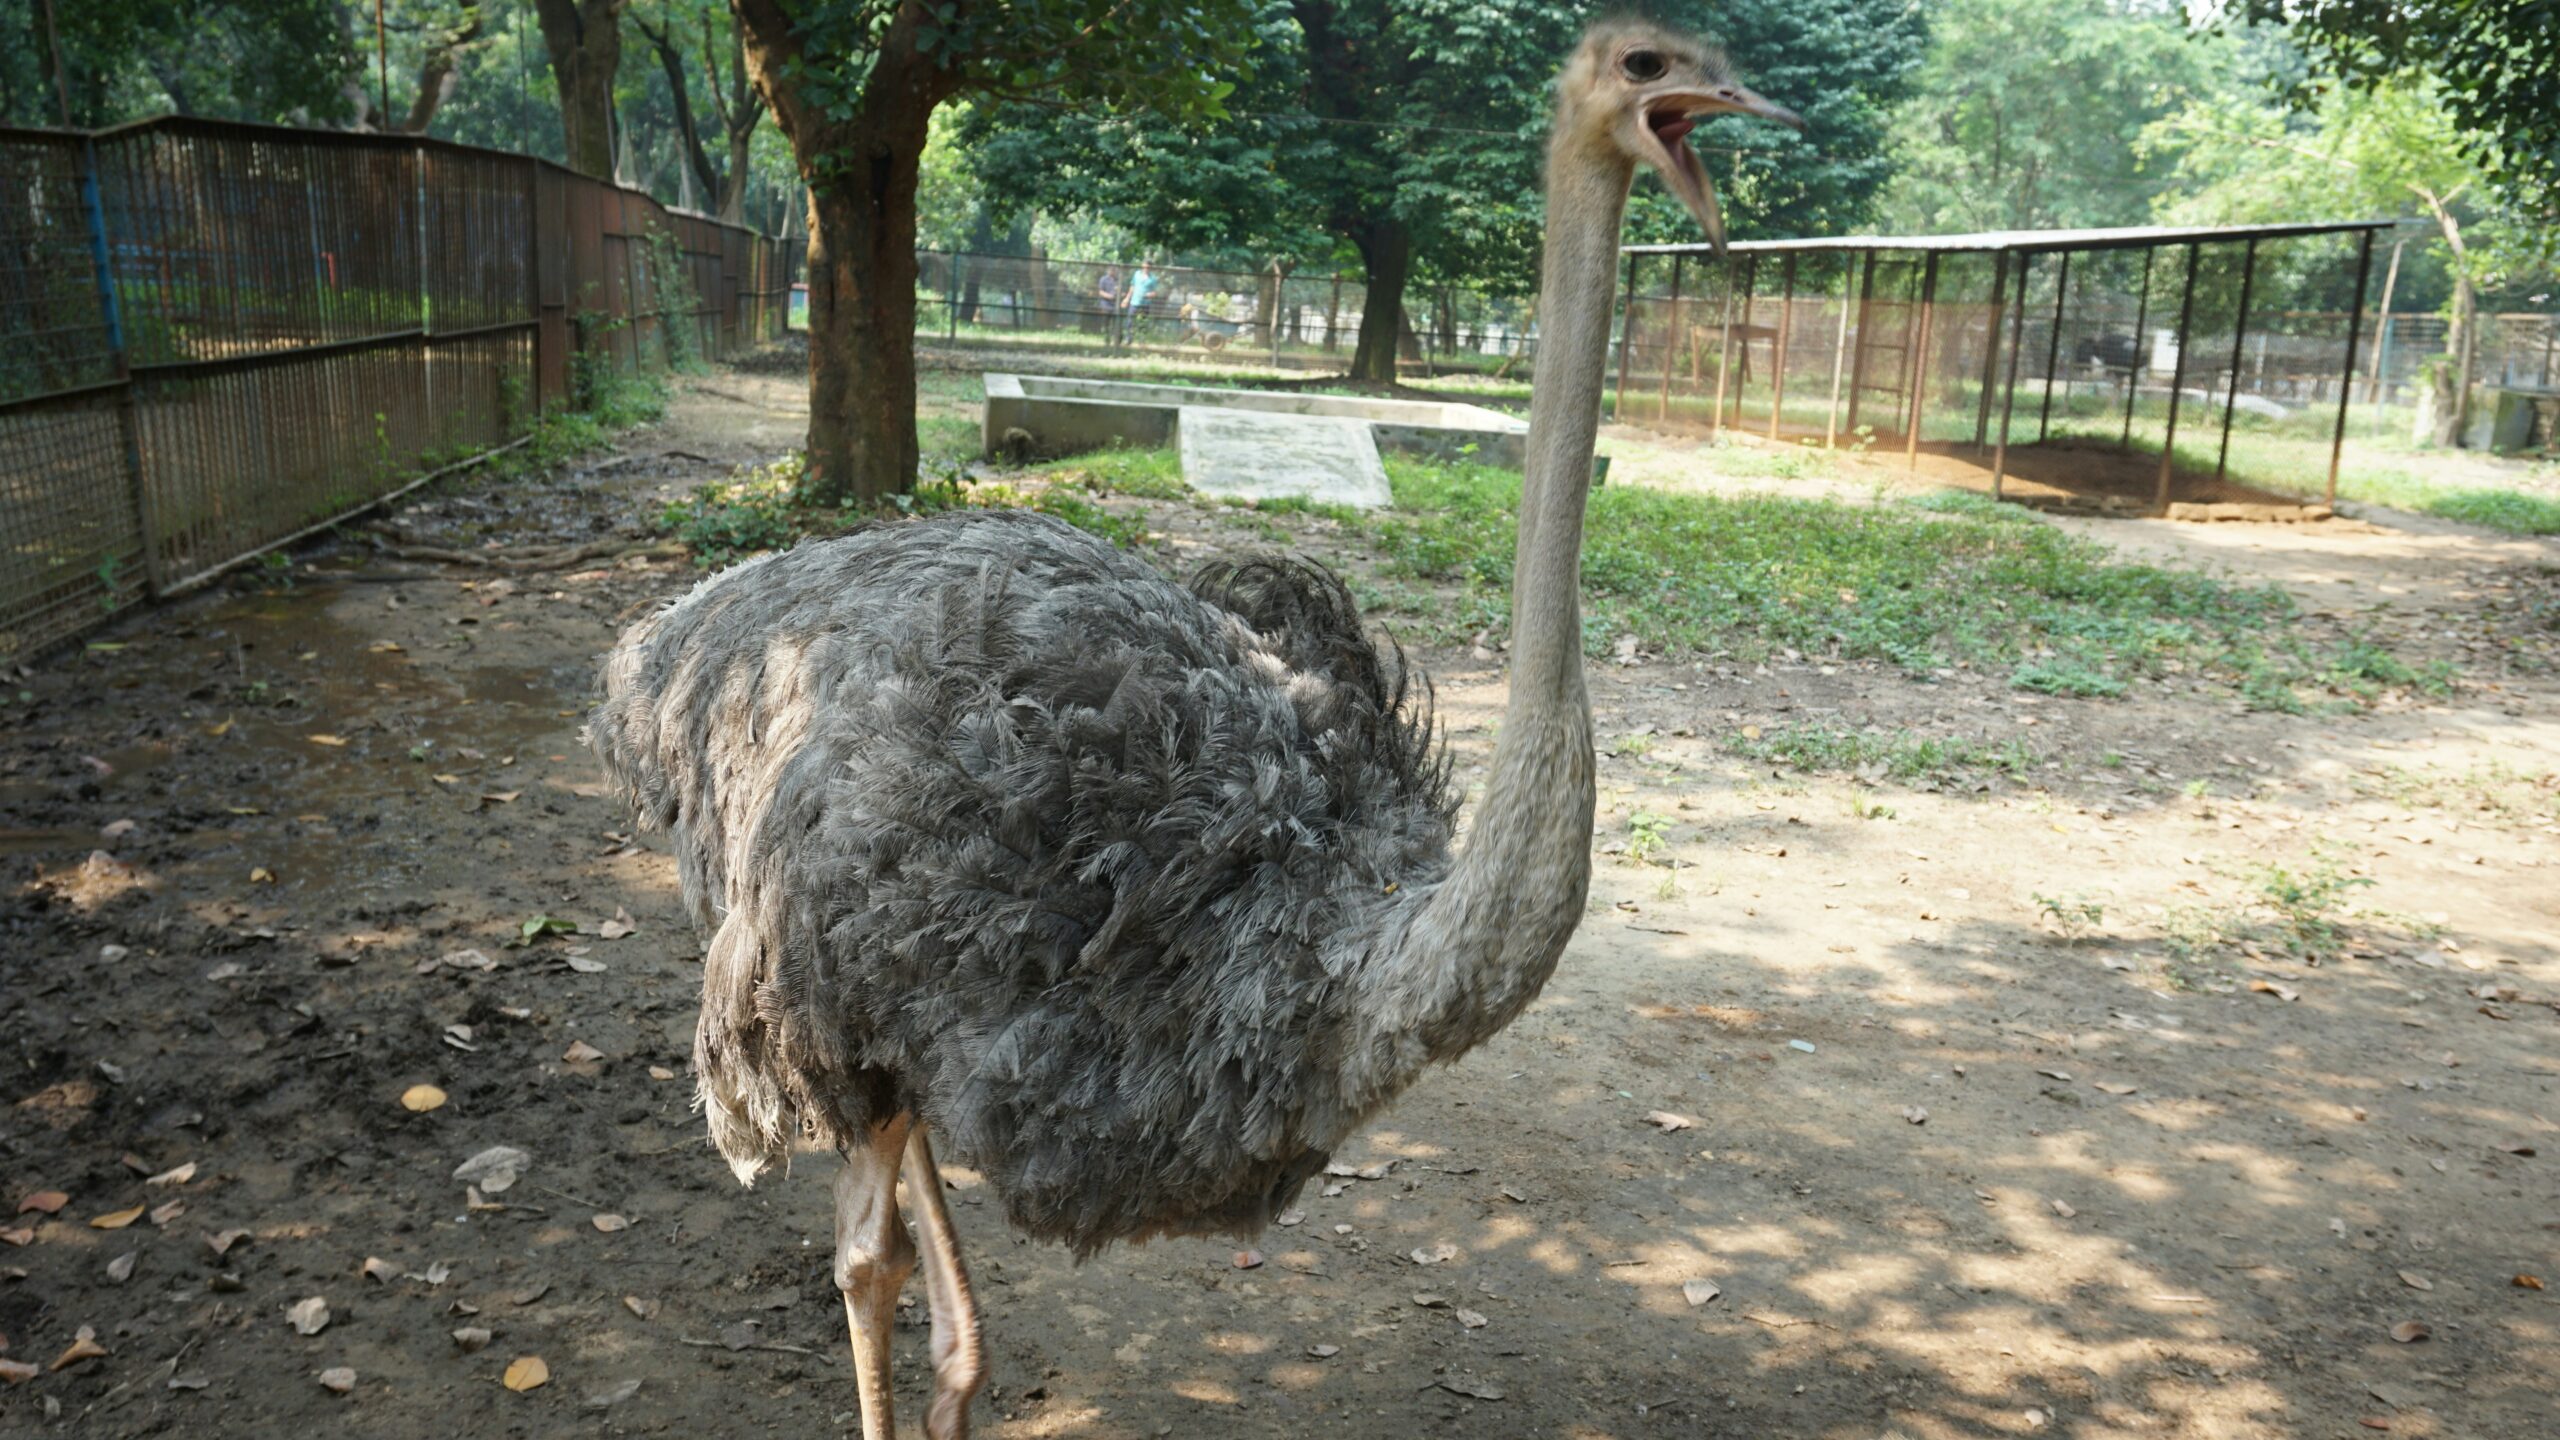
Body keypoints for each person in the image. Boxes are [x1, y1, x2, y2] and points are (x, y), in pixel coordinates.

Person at [1123, 262, 1158, 348]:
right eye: (1144, 267)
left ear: (1150, 268)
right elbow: (1132, 287)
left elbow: (1155, 293)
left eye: (1147, 267)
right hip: (1134, 302)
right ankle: (1129, 339)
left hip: (1145, 304)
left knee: (1143, 323)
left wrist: (1148, 295)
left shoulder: (1153, 278)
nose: (1145, 269)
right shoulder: (1137, 274)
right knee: (1130, 321)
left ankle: (1142, 341)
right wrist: (1127, 298)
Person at [1095, 267, 1121, 344]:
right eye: (1111, 270)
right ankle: (1107, 339)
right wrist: (1109, 296)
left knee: (1116, 323)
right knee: (1106, 323)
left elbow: (1123, 292)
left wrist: (1119, 293)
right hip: (1105, 304)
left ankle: (1116, 341)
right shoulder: (1103, 279)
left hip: (1115, 305)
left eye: (1114, 270)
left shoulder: (1118, 280)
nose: (1112, 272)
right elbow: (1101, 292)